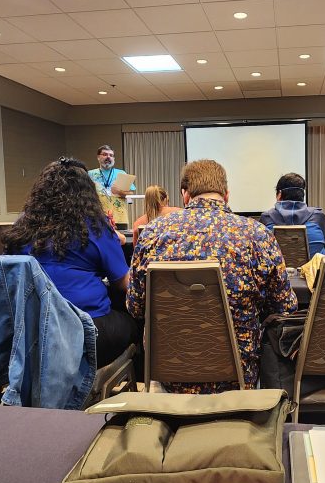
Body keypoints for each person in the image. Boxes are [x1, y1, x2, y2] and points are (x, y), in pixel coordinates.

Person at [127, 159, 297, 393]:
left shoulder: (153, 233)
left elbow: (135, 307)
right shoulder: (256, 234)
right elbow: (285, 306)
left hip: (167, 373)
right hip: (238, 376)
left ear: (185, 195)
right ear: (226, 195)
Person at [3, 158, 137, 366]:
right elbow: (123, 283)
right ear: (87, 193)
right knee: (136, 321)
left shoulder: (22, 227)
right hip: (85, 329)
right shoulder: (95, 227)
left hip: (31, 332)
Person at [258, 172, 325, 257]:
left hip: (279, 270)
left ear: (279, 194)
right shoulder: (317, 216)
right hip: (314, 270)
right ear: (302, 195)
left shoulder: (266, 218)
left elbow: (260, 247)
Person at [88, 144, 136, 227]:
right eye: (105, 154)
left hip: (119, 218)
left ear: (114, 159)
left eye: (111, 155)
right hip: (97, 217)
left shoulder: (121, 173)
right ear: (98, 157)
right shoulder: (90, 174)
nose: (108, 157)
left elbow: (131, 194)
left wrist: (119, 192)